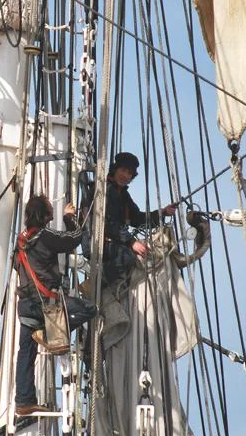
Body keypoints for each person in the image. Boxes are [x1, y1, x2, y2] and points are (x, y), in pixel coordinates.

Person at [14, 195, 97, 417]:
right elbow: (75, 238)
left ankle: (24, 401)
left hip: (25, 305)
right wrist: (69, 218)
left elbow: (17, 267)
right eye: (50, 211)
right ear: (44, 215)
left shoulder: (21, 241)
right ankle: (51, 337)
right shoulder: (46, 236)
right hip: (47, 305)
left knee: (26, 354)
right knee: (89, 309)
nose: (52, 214)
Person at [100, 152, 176, 287]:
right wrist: (132, 242)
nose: (126, 176)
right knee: (128, 256)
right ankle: (96, 283)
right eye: (123, 170)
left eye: (129, 174)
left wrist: (162, 213)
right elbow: (108, 223)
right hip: (98, 241)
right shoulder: (104, 189)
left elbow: (138, 219)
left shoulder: (123, 195)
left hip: (115, 241)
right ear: (115, 169)